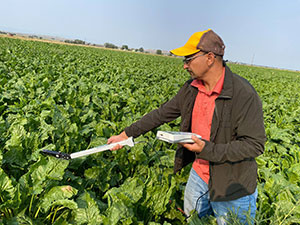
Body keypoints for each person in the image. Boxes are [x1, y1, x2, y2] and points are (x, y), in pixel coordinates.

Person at [107, 29, 266, 224]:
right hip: (199, 176)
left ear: (209, 58)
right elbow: (161, 113)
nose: (184, 65)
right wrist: (126, 134)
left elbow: (254, 145)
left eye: (189, 59)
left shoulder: (244, 94)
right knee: (192, 221)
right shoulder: (191, 88)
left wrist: (207, 149)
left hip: (232, 188)